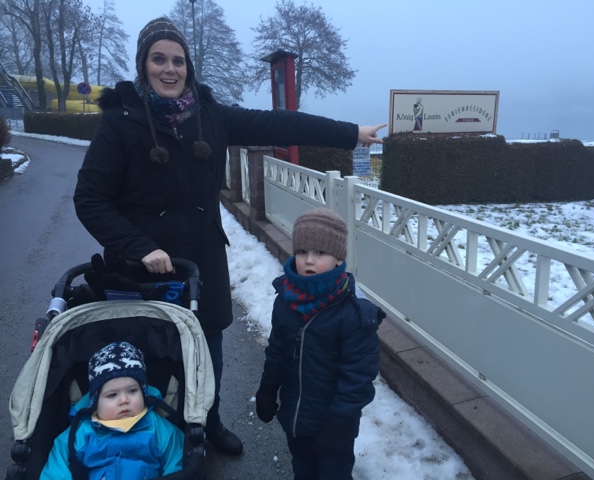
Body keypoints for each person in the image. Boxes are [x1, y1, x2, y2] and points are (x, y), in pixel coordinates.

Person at [72, 15, 385, 456]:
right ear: (143, 64)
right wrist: (140, 247)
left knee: (209, 349)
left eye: (178, 60)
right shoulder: (119, 122)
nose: (170, 69)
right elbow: (90, 200)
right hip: (142, 269)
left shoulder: (211, 116)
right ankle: (152, 432)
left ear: (188, 67)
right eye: (159, 59)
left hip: (201, 261)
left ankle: (208, 421)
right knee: (153, 353)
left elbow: (280, 124)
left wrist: (350, 134)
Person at [255, 208, 385, 479]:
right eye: (302, 251)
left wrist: (339, 424)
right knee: (303, 470)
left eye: (320, 252)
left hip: (333, 428)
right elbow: (277, 350)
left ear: (339, 258)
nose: (309, 261)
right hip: (295, 418)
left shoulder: (352, 314)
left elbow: (358, 376)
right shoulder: (286, 301)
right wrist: (267, 389)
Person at [40, 341, 184, 479]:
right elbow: (57, 470)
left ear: (144, 393)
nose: (124, 400)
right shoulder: (80, 433)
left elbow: (177, 464)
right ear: (95, 403)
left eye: (132, 391)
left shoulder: (159, 429)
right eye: (112, 395)